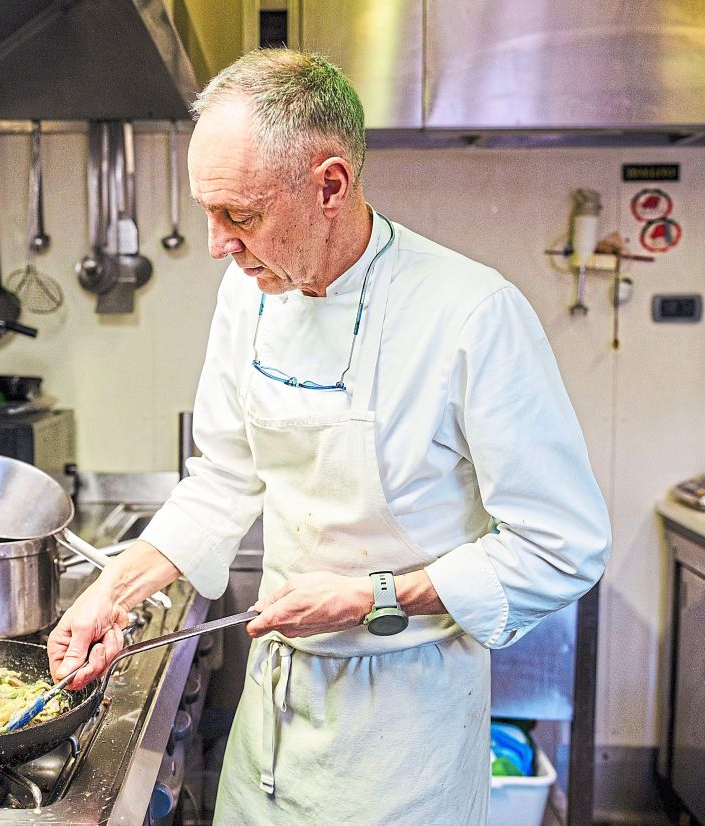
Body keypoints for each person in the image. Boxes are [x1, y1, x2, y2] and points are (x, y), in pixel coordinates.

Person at [48, 48, 611, 824]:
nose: (218, 244)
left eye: (239, 215)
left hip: (405, 731)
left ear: (331, 186)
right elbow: (221, 477)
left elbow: (562, 543)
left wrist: (372, 596)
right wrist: (112, 591)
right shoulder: (247, 294)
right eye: (208, 213)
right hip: (273, 718)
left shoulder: (472, 313)